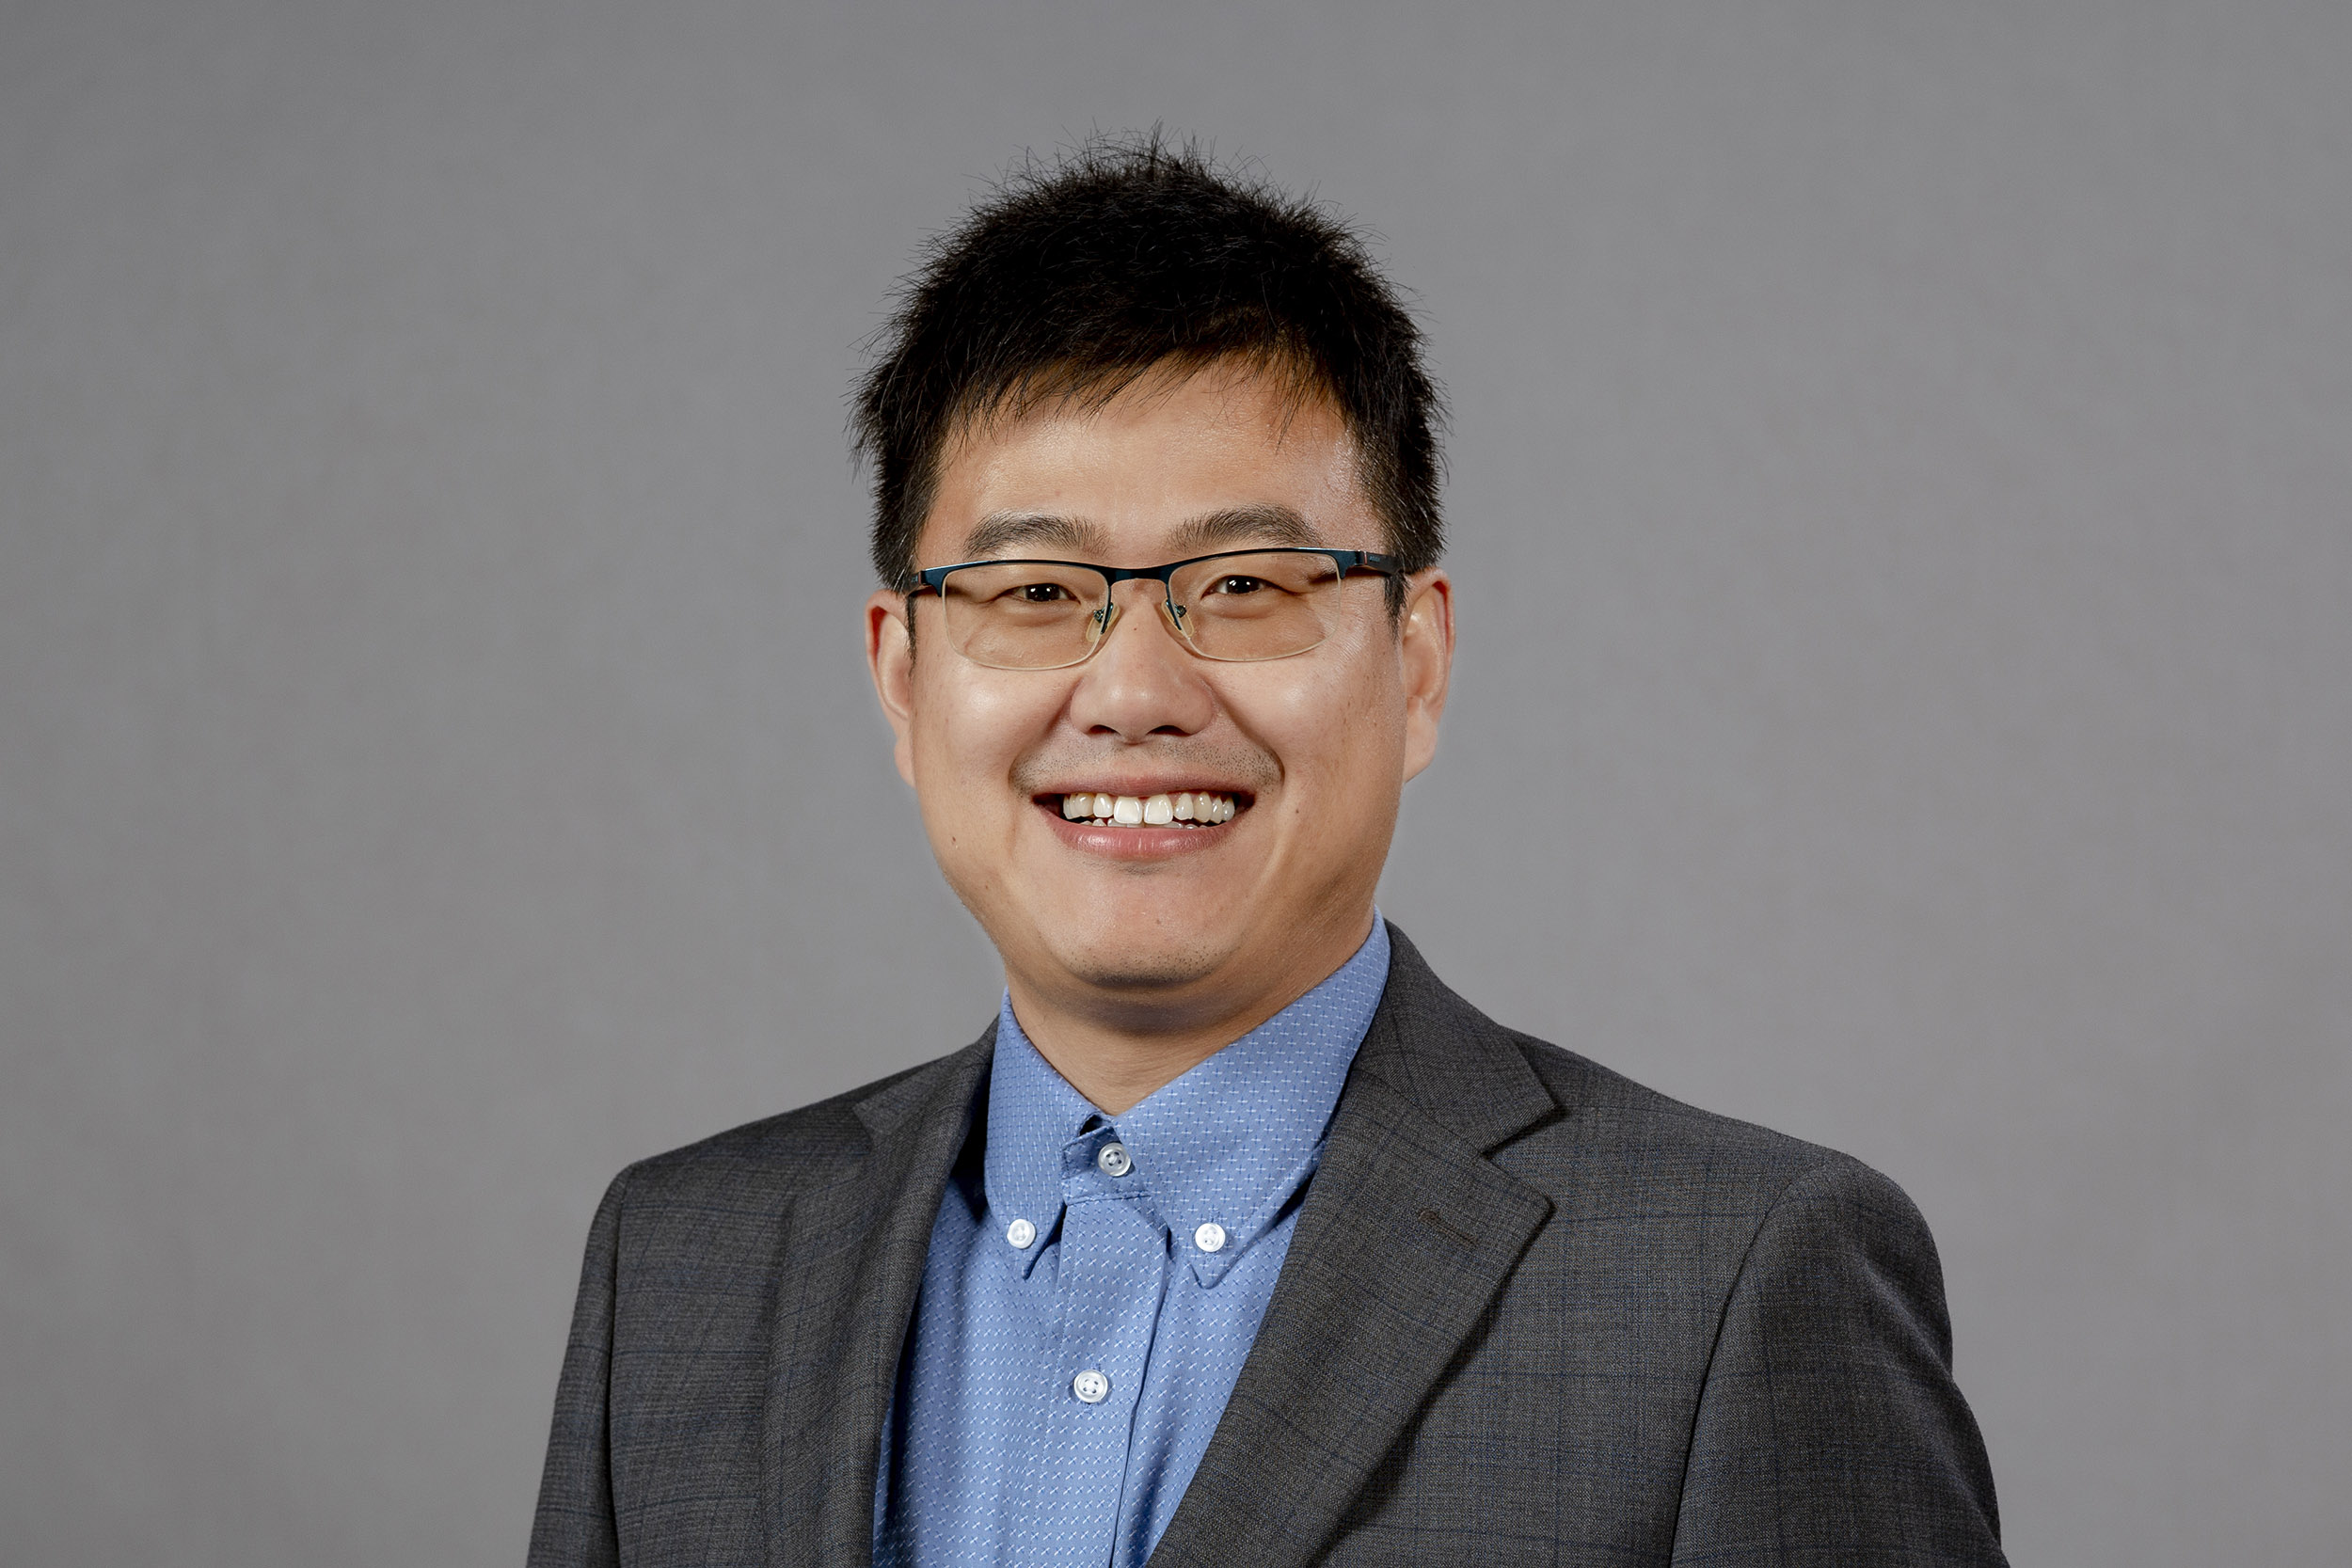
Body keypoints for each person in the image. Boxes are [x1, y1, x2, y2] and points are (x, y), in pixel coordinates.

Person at [528, 137, 2007, 1568]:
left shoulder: (1733, 1284)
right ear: (903, 679)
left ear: (1416, 662)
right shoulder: (683, 1266)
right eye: (1036, 589)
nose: (1136, 693)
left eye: (1244, 582)